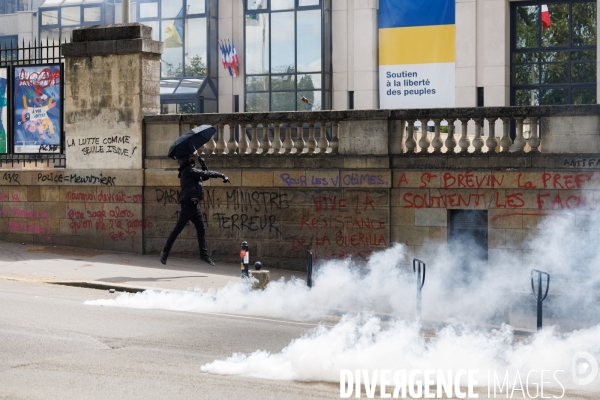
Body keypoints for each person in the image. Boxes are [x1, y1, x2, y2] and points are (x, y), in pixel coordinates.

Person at [160, 154, 230, 266]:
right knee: (178, 229)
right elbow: (204, 174)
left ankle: (203, 254)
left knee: (201, 228)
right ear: (185, 160)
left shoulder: (192, 171)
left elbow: (204, 177)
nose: (192, 158)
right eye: (190, 157)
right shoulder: (188, 170)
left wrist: (203, 164)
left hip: (195, 205)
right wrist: (221, 175)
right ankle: (165, 252)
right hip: (188, 205)